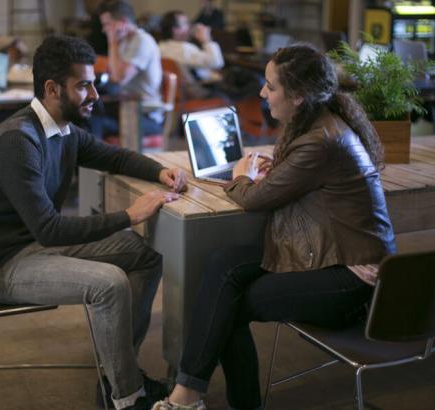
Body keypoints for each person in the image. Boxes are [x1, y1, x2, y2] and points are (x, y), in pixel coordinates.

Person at [153, 44, 396, 410]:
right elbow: (304, 184)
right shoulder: (320, 124)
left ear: (298, 96)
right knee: (223, 264)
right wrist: (277, 172)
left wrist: (239, 177)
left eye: (271, 86)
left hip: (351, 279)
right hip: (330, 253)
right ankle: (191, 395)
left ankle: (194, 398)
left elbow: (252, 200)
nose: (262, 93)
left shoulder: (319, 141)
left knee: (228, 302)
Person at [0, 35, 187, 410]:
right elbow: (49, 230)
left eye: (93, 83)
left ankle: (119, 372)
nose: (95, 94)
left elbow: (113, 158)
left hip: (37, 246)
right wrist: (129, 216)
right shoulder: (19, 141)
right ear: (52, 89)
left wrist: (160, 171)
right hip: (7, 263)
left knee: (147, 253)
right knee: (109, 284)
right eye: (83, 85)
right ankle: (127, 398)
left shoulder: (61, 129)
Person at [90, 0, 163, 139]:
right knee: (84, 111)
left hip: (145, 115)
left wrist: (112, 42)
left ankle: (93, 159)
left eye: (107, 24)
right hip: (127, 107)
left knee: (93, 120)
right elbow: (113, 75)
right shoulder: (125, 41)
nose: (104, 29)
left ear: (122, 22)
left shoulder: (142, 41)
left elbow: (119, 78)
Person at [159, 10, 224, 99]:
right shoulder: (184, 49)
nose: (190, 27)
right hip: (197, 96)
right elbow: (217, 62)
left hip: (174, 96)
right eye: (186, 23)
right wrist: (206, 39)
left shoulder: (160, 47)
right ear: (175, 30)